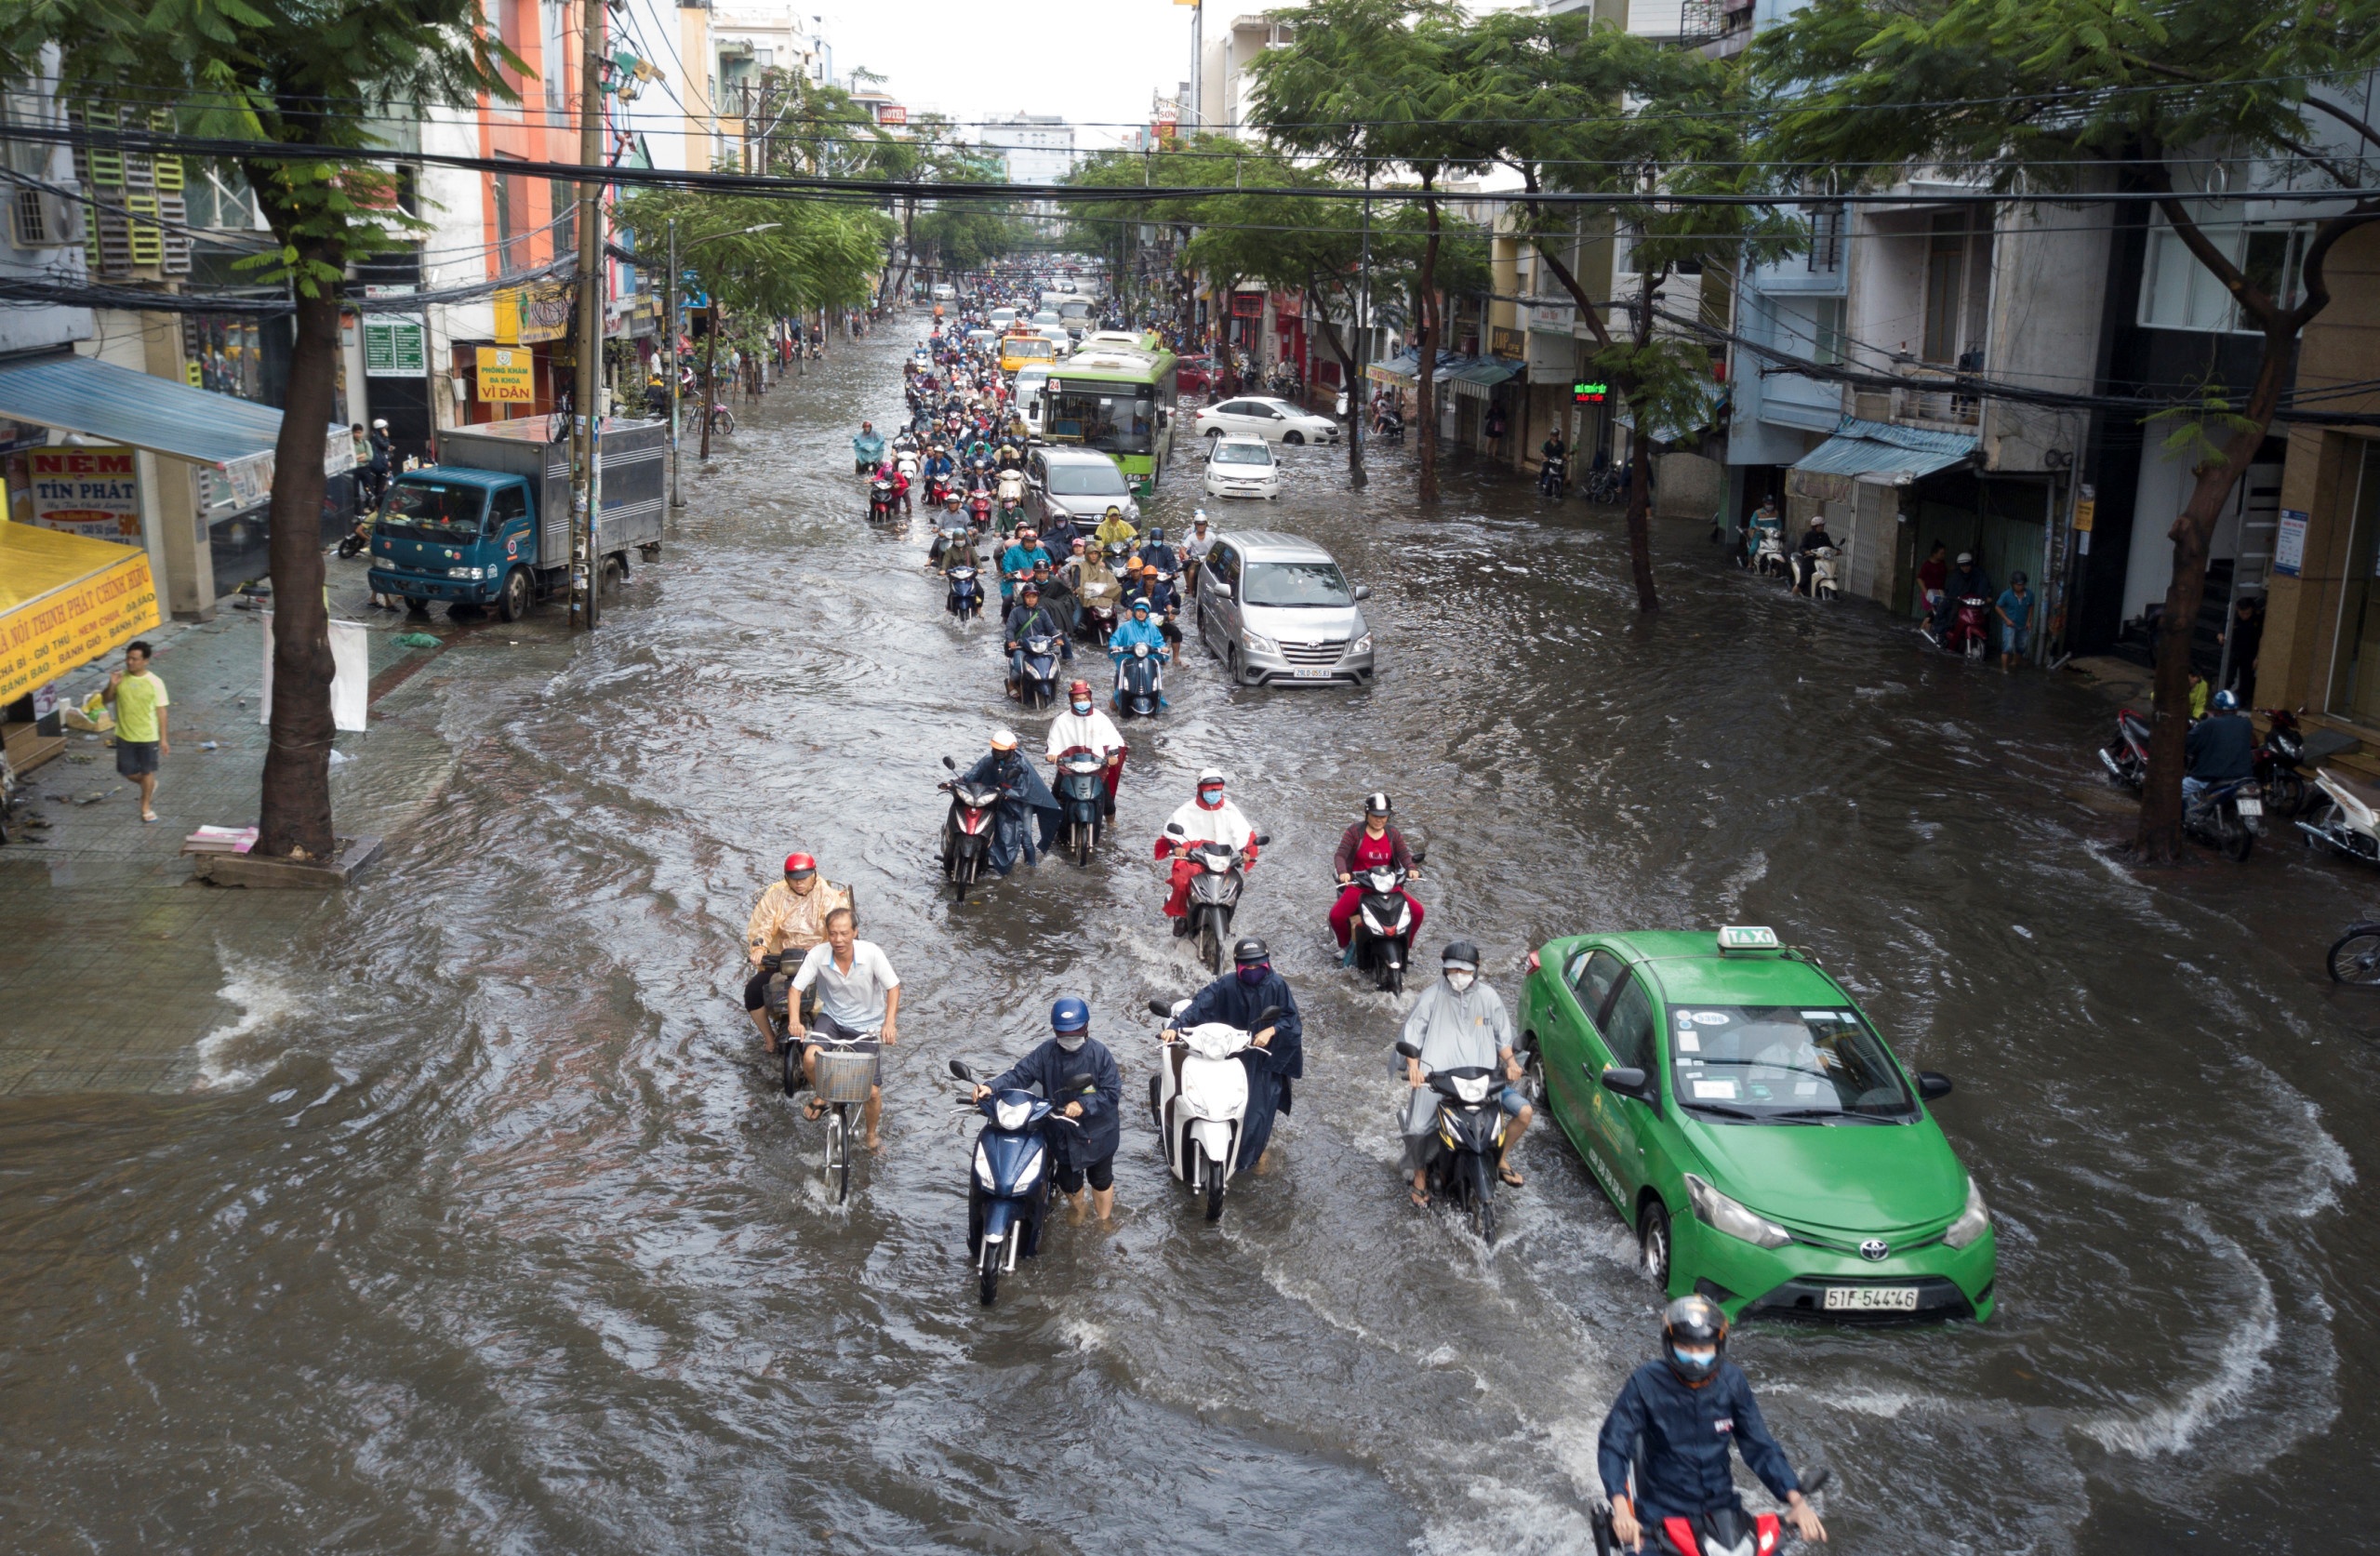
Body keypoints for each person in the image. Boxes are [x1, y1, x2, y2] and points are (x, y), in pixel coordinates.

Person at [1598, 1296, 1825, 1553]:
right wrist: (1621, 1510)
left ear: (1718, 1346)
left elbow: (1759, 1445)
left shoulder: (1733, 1382)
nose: (1695, 1358)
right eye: (1686, 1347)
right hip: (1661, 1516)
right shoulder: (1645, 1383)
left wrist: (1797, 1502)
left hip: (1723, 1513)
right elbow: (1614, 1444)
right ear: (1670, 1345)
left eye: (1703, 1348)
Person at [1399, 941, 1532, 1204]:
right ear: (1444, 968)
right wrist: (1414, 1067)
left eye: (1464, 970)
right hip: (1439, 1080)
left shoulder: (1489, 998)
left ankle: (1500, 1159)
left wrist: (1511, 1063)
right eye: (1454, 969)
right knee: (1417, 1128)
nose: (1458, 974)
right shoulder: (1430, 997)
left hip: (1483, 1081)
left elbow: (1502, 1039)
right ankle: (1420, 1174)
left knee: (1523, 1113)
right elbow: (1412, 1036)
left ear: (1476, 968)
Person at [976, 997, 1123, 1223]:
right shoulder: (1045, 1053)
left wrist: (1083, 1104)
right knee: (1069, 1182)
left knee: (1101, 1180)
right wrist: (991, 1087)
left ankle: (1104, 1221)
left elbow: (1112, 1093)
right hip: (1062, 1132)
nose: (1070, 1038)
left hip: (1098, 1133)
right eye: (1064, 1034)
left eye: (1075, 1033)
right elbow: (1020, 1074)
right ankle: (1080, 1210)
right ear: (1055, 1031)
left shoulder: (1100, 1055)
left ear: (1086, 1028)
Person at [1163, 938, 1303, 1173]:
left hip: (1260, 1060)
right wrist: (1176, 1027)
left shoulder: (1277, 986)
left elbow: (1291, 1020)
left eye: (1257, 965)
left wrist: (1272, 1030)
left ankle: (1252, 1156)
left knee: (1256, 1115)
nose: (1252, 970)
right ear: (1237, 965)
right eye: (1247, 966)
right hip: (1228, 1054)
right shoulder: (1226, 985)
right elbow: (1200, 1005)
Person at [786, 908, 900, 1149]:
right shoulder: (817, 955)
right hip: (832, 1018)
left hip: (867, 1025)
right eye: (833, 934)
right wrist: (794, 1021)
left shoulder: (871, 953)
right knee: (809, 1058)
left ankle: (871, 1134)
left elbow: (893, 987)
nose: (838, 940)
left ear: (855, 932)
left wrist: (889, 1023)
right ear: (827, 933)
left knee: (872, 1092)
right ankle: (823, 1094)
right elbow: (795, 990)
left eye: (844, 933)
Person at [742, 852, 855, 1049]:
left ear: (814, 875)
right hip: (783, 959)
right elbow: (763, 925)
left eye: (804, 878)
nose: (799, 883)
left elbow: (837, 926)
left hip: (818, 957)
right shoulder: (776, 896)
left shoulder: (828, 897)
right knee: (753, 991)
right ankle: (769, 1038)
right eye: (794, 879)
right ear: (787, 878)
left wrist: (831, 948)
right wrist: (759, 947)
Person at [1156, 768, 1258, 928]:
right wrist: (1178, 847)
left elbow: (1242, 833)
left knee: (1237, 884)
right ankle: (1182, 916)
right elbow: (1173, 833)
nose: (1213, 792)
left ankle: (1226, 921)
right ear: (1200, 788)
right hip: (1195, 859)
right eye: (1209, 789)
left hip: (1222, 859)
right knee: (1182, 880)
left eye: (1217, 789)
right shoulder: (1186, 810)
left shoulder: (1230, 810)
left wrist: (1245, 851)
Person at [950, 728, 1060, 871]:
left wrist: (1009, 793)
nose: (997, 753)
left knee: (1025, 837)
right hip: (999, 799)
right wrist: (954, 783)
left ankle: (1031, 867)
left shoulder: (1021, 765)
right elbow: (971, 775)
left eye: (1001, 750)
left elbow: (1024, 788)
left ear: (1011, 750)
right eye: (995, 749)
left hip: (1022, 803)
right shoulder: (989, 760)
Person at [1329, 791, 1424, 952]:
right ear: (1367, 814)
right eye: (1375, 816)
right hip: (1360, 885)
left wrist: (1411, 868)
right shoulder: (1354, 832)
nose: (1379, 820)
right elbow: (1340, 855)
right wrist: (1343, 872)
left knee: (1418, 911)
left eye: (1384, 816)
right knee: (1336, 916)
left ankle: (1406, 948)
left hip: (1388, 885)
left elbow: (1404, 854)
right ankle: (1344, 947)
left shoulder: (1392, 833)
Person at [102, 640, 168, 823]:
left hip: (148, 736)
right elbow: (105, 700)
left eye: (134, 659)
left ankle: (145, 806)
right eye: (128, 658)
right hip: (124, 734)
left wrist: (163, 739)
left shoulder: (155, 682)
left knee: (147, 771)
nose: (129, 662)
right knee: (127, 772)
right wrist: (112, 685)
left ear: (145, 661)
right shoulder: (120, 678)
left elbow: (161, 711)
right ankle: (149, 785)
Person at [1046, 679, 1128, 818]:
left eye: (1085, 699)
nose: (1082, 702)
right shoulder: (1061, 720)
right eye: (1078, 700)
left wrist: (1112, 756)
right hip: (1068, 768)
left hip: (1096, 768)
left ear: (1090, 699)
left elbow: (1113, 740)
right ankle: (1054, 824)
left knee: (1108, 805)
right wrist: (1052, 754)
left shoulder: (1101, 718)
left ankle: (1111, 824)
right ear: (1071, 701)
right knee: (1054, 797)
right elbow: (1053, 742)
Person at [2185, 689, 2255, 808]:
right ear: (2236, 709)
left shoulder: (2209, 724)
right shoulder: (2246, 724)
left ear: (2216, 709)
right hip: (2242, 779)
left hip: (2210, 778)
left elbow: (2188, 743)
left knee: (2177, 791)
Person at [1004, 581, 1073, 698]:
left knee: (1053, 667)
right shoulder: (1016, 611)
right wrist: (1011, 640)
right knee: (1019, 667)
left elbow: (1051, 628)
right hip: (1022, 647)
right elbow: (1010, 628)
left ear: (1037, 598)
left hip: (1041, 647)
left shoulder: (1042, 612)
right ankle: (1011, 683)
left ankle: (1053, 684)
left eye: (1034, 596)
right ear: (1024, 598)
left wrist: (1057, 638)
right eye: (1028, 597)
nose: (1031, 599)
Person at [1108, 596, 1169, 707]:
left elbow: (1159, 642)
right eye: (1138, 610)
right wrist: (1114, 646)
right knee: (1119, 691)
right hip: (1129, 661)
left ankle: (1156, 701)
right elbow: (1115, 638)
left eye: (1143, 611)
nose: (1141, 613)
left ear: (1147, 612)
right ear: (1134, 611)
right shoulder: (1126, 627)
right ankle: (1112, 709)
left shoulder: (1152, 628)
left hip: (1148, 662)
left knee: (1156, 686)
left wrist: (1163, 648)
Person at [2222, 593, 2265, 703]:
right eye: (2242, 613)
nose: (2245, 616)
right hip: (2234, 650)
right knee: (2228, 677)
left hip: (2250, 653)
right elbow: (2223, 626)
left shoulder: (2258, 617)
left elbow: (2262, 637)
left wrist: (2258, 657)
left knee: (2246, 681)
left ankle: (2241, 701)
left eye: (2247, 613)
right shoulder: (2233, 616)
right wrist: (2220, 635)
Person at [1937, 551, 1991, 637]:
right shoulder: (1955, 577)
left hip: (1973, 605)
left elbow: (1983, 588)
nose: (1965, 567)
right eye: (1962, 565)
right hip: (1957, 602)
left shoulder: (1979, 575)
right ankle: (1944, 634)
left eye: (1967, 565)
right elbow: (1951, 591)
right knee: (1948, 613)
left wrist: (1984, 597)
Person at [1000, 527, 1054, 611]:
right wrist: (1008, 572)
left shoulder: (1040, 552)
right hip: (1015, 581)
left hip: (1036, 581)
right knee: (1007, 600)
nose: (1030, 544)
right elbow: (1007, 563)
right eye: (1028, 541)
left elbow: (1047, 563)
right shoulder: (1013, 550)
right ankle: (1006, 616)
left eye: (1032, 542)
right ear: (1023, 541)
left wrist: (1048, 571)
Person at [1994, 572, 2034, 669]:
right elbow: (1997, 607)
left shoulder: (2029, 594)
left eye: (2022, 585)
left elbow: (2031, 606)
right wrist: (2006, 620)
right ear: (2013, 584)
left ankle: (2015, 663)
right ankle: (2004, 669)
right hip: (2010, 624)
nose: (2020, 587)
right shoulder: (2006, 595)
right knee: (2008, 647)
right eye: (2018, 585)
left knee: (2021, 647)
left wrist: (2028, 621)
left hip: (2023, 624)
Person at [1916, 539, 1948, 620]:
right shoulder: (1927, 565)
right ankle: (1923, 627)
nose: (1943, 555)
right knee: (1932, 615)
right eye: (1941, 553)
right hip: (1931, 594)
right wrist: (1926, 593)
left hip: (1940, 592)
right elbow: (1919, 578)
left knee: (1938, 614)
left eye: (1944, 553)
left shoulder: (1942, 563)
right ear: (1934, 554)